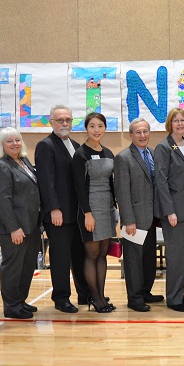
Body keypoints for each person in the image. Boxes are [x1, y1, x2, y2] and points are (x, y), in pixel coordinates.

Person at [34, 104, 88, 314]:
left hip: (76, 214)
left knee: (79, 256)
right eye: (60, 120)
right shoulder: (45, 145)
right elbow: (46, 182)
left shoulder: (75, 144)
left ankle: (84, 294)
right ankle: (61, 298)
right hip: (58, 215)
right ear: (52, 123)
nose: (65, 123)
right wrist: (54, 209)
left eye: (68, 120)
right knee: (60, 258)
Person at [0, 127, 41, 320]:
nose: (14, 144)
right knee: (13, 266)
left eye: (17, 140)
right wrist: (14, 228)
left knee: (27, 265)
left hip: (31, 225)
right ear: (2, 145)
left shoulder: (23, 161)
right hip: (13, 227)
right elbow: (2, 200)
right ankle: (11, 306)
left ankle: (20, 301)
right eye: (9, 141)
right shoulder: (0, 166)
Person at [113, 118, 162, 313]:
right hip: (134, 220)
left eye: (146, 131)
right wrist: (128, 220)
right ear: (131, 135)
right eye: (138, 132)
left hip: (150, 218)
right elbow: (122, 192)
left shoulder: (152, 154)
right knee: (133, 260)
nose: (143, 135)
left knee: (148, 258)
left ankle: (145, 291)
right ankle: (134, 298)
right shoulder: (123, 158)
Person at [154, 108, 184, 312]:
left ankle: (179, 292)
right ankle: (173, 299)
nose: (180, 124)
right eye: (176, 120)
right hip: (175, 211)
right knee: (175, 256)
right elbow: (161, 182)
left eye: (183, 120)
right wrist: (169, 211)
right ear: (170, 124)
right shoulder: (164, 147)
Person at [72, 112, 116, 313]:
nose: (96, 130)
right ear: (86, 129)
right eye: (92, 126)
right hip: (89, 209)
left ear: (105, 128)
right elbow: (79, 187)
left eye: (100, 126)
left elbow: (111, 183)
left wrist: (114, 208)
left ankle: (101, 295)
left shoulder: (108, 152)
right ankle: (95, 298)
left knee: (103, 255)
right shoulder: (81, 154)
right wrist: (88, 213)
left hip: (106, 208)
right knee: (92, 254)